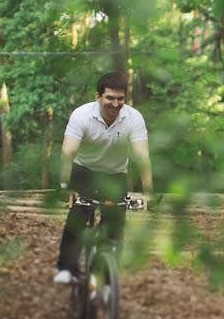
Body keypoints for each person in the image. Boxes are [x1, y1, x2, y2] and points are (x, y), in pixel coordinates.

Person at [53, 71, 153, 284]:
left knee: (115, 226)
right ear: (98, 96)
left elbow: (142, 157)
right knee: (79, 213)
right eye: (110, 98)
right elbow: (68, 153)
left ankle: (104, 276)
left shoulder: (133, 119)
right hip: (84, 170)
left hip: (115, 174)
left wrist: (149, 193)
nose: (115, 104)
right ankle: (66, 268)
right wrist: (64, 185)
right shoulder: (82, 115)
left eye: (120, 99)